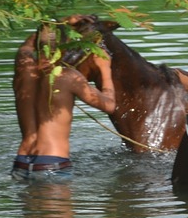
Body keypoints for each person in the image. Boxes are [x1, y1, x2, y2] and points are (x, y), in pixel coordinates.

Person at [12, 15, 117, 180]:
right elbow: (109, 105)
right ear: (65, 48)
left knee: (28, 206)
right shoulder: (68, 77)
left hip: (21, 163)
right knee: (56, 206)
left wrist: (58, 22)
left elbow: (27, 45)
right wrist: (105, 68)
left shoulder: (23, 67)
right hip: (52, 163)